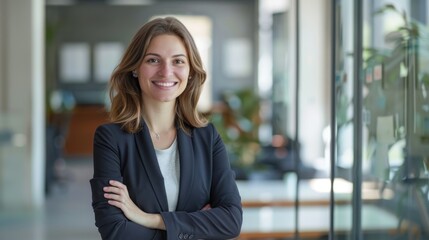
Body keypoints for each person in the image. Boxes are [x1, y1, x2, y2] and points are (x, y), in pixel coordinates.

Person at [89, 17, 243, 240]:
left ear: (190, 71)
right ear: (135, 68)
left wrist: (146, 218)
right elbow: (116, 231)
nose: (166, 71)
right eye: (153, 60)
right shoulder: (111, 139)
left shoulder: (207, 137)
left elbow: (231, 220)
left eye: (178, 61)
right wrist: (194, 228)